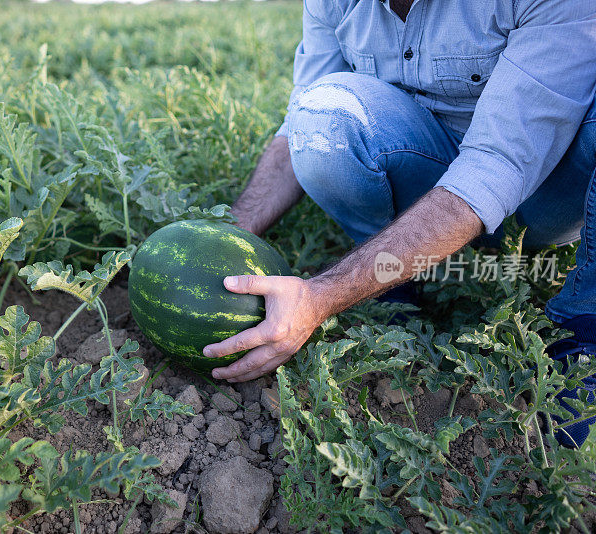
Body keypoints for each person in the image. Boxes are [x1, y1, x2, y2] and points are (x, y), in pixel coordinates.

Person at [202, 0, 596, 448]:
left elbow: (496, 163)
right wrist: (227, 231)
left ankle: (585, 328)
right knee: (322, 117)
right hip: (432, 168)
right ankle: (392, 278)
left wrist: (318, 296)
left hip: (546, 192)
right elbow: (298, 125)